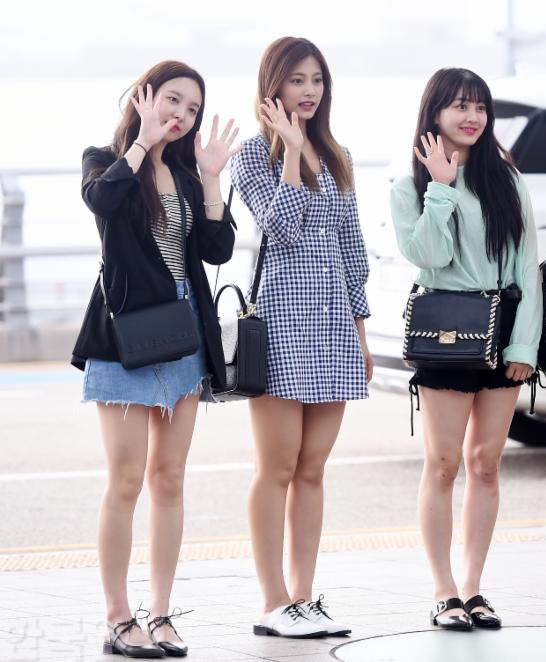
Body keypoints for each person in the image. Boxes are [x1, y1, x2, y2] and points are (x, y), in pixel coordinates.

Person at [73, 60, 240, 657]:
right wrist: (143, 142)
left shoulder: (189, 174)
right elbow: (104, 202)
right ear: (144, 97)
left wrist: (213, 180)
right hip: (126, 337)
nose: (181, 115)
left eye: (192, 109)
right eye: (173, 100)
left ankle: (161, 613)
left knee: (169, 478)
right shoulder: (106, 159)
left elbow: (218, 250)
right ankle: (118, 619)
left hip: (185, 335)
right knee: (125, 480)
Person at [230, 36, 373, 639]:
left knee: (312, 470)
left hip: (335, 325)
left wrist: (361, 332)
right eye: (297, 79)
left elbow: (353, 252)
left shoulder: (338, 154)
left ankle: (304, 599)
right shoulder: (251, 155)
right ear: (274, 86)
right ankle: (273, 601)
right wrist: (289, 150)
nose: (309, 90)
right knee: (277, 468)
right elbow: (281, 227)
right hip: (281, 325)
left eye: (317, 79)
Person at [390, 68, 542, 631]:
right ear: (434, 113)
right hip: (446, 333)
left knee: (485, 464)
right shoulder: (409, 186)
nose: (472, 116)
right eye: (459, 106)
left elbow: (527, 264)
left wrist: (525, 343)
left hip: (503, 332)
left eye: (479, 107)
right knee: (443, 463)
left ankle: (474, 588)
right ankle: (444, 590)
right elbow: (429, 257)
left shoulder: (507, 179)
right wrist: (441, 187)